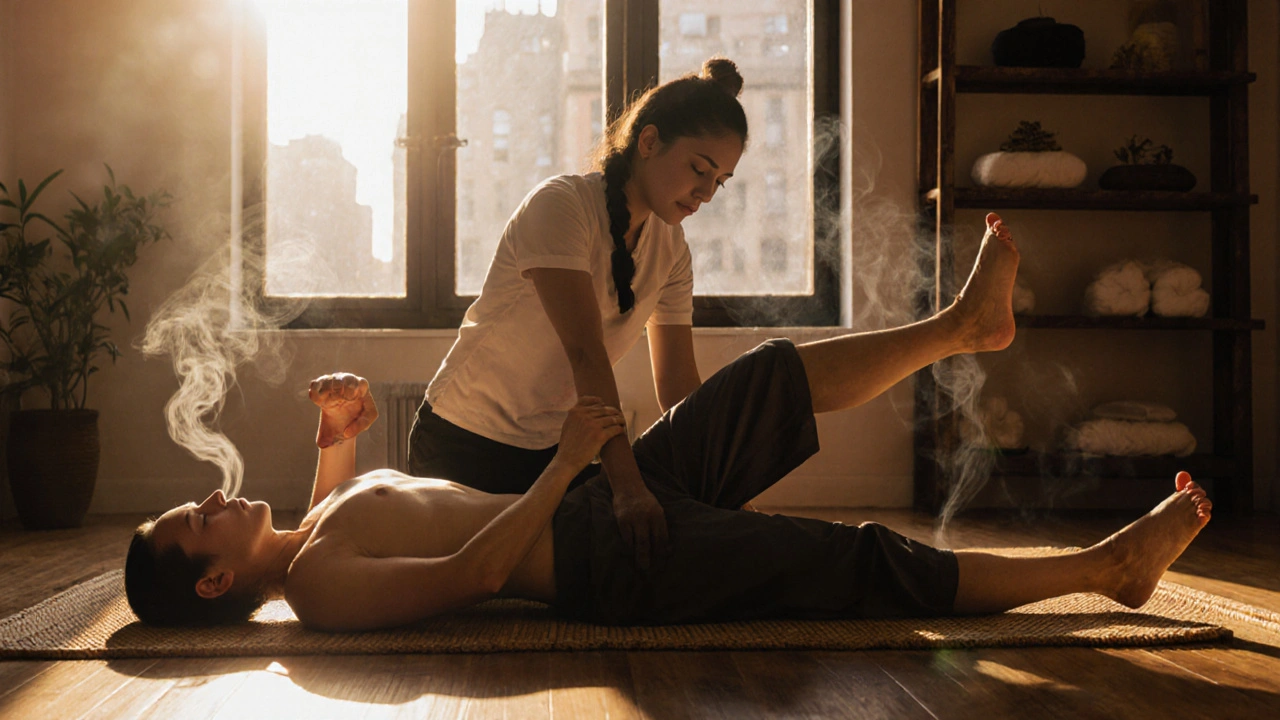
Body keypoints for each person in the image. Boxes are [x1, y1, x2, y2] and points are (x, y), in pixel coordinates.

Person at [124, 215, 1214, 631]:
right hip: (609, 554)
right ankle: (1097, 569)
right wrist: (559, 473)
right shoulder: (312, 591)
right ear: (214, 579)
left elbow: (349, 512)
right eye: (197, 522)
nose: (213, 499)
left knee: (762, 379)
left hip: (600, 499)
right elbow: (466, 575)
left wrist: (341, 437)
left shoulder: (310, 536)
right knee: (855, 560)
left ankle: (958, 327)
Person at [410, 57, 750, 568]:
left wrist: (722, 487)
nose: (706, 192)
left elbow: (679, 383)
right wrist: (628, 489)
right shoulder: (561, 206)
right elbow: (585, 355)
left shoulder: (672, 250)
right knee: (525, 577)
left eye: (720, 180)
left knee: (674, 540)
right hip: (460, 447)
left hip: (553, 458)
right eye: (699, 169)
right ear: (649, 141)